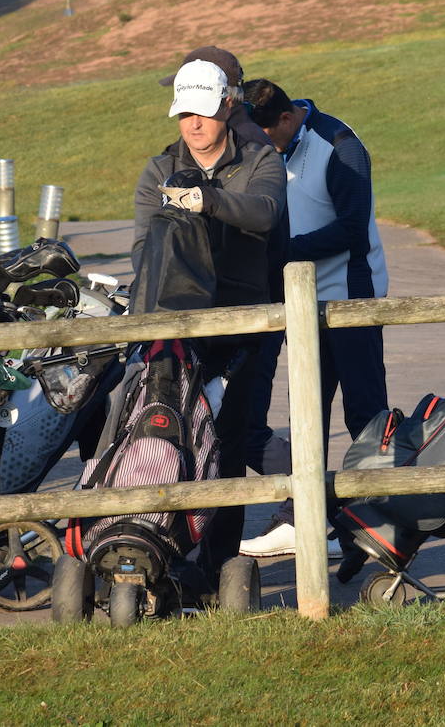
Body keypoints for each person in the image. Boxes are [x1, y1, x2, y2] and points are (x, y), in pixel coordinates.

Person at [132, 57, 286, 581]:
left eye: (202, 112)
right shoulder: (157, 169)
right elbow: (142, 250)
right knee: (166, 432)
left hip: (246, 325)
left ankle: (220, 562)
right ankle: (165, 550)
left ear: (226, 106)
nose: (193, 124)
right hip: (175, 326)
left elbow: (265, 212)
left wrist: (208, 201)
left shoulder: (260, 159)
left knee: (230, 440)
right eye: (183, 114)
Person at [236, 78, 389, 558]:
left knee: (365, 413)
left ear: (285, 118)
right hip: (298, 304)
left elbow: (351, 229)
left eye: (266, 137)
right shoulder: (268, 141)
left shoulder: (340, 147)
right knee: (305, 412)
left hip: (350, 297)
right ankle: (303, 517)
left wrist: (281, 253)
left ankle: (376, 522)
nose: (259, 149)